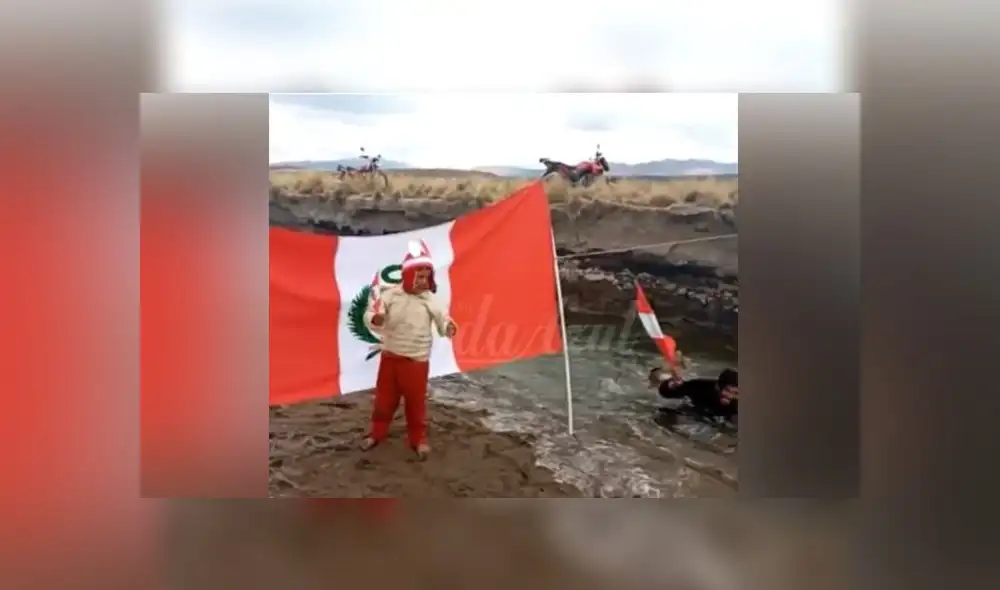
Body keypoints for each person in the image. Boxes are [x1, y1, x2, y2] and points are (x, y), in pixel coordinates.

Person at [359, 241, 458, 460]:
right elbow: (372, 313)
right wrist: (376, 318)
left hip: (416, 362)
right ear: (408, 275)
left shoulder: (431, 300)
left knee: (416, 404)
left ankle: (418, 439)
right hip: (390, 358)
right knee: (384, 402)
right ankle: (376, 434)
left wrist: (448, 327)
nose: (424, 282)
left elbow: (443, 317)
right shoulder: (390, 295)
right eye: (419, 276)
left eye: (427, 277)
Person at [649, 366, 739, 424]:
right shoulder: (699, 386)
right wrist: (672, 385)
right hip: (693, 412)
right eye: (727, 391)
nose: (730, 396)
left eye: (735, 393)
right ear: (717, 387)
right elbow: (666, 394)